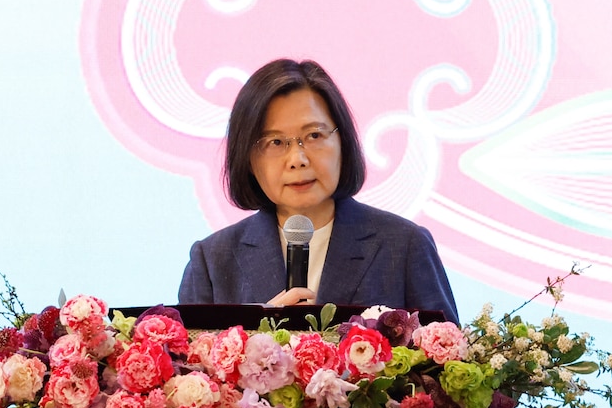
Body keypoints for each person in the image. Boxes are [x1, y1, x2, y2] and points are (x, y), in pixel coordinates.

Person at [177, 59, 459, 323]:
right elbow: (193, 370)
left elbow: (447, 365)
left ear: (343, 143)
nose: (298, 159)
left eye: (314, 136)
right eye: (275, 142)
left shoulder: (405, 245)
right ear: (248, 159)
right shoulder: (213, 260)